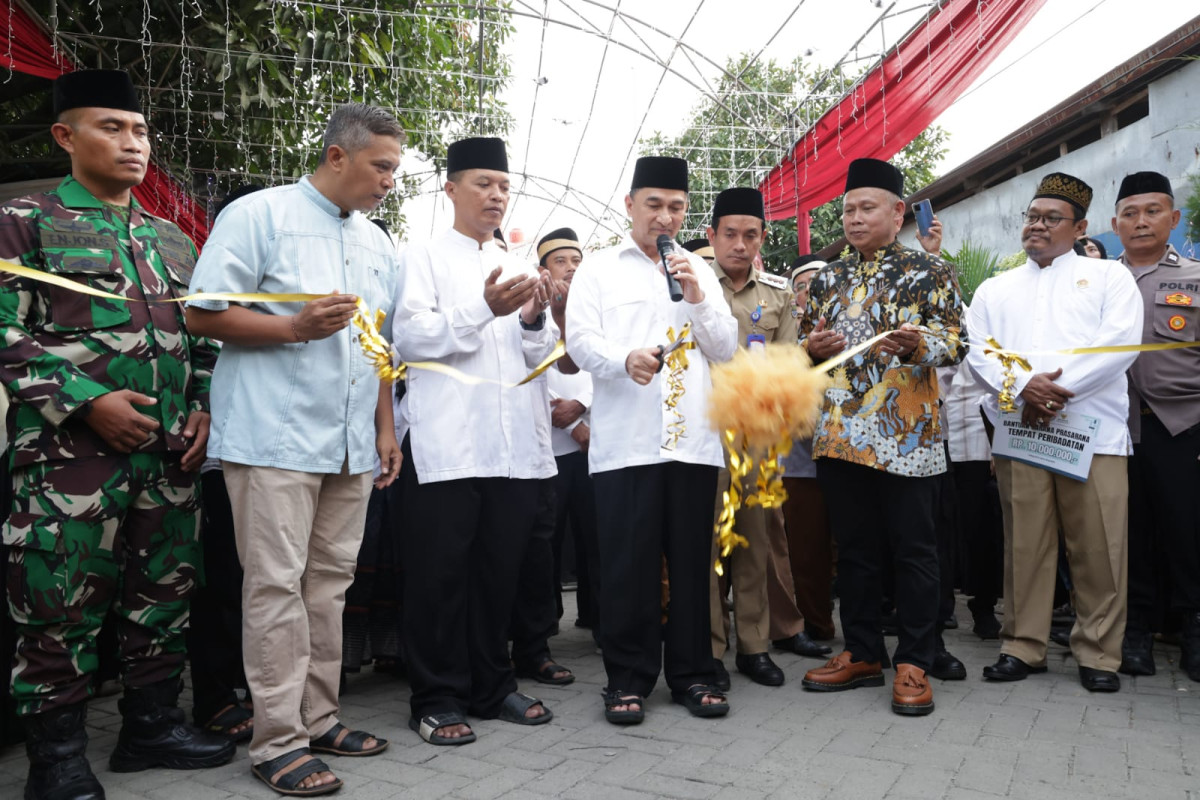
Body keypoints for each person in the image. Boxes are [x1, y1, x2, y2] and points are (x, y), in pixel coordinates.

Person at [0, 69, 233, 800]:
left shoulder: (170, 239)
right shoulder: (24, 222)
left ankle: (150, 727)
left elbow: (202, 340)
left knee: (160, 595)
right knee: (58, 604)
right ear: (65, 136)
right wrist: (87, 402)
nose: (132, 143)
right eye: (112, 127)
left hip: (167, 458)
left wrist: (201, 407)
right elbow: (5, 330)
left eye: (138, 130)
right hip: (70, 459)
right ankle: (57, 761)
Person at [187, 102, 402, 795]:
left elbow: (376, 347)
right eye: (382, 166)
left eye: (396, 169)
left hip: (349, 446)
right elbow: (200, 311)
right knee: (275, 586)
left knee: (330, 585)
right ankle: (276, 740)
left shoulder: (378, 244)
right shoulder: (259, 216)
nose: (390, 181)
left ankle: (319, 717)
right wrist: (294, 328)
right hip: (274, 436)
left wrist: (383, 428)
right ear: (338, 155)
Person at [393, 136, 557, 746]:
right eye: (484, 183)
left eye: (505, 186)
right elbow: (411, 341)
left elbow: (536, 356)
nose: (496, 195)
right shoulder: (421, 256)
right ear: (451, 189)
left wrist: (537, 319)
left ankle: (492, 685)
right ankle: (435, 697)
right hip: (448, 444)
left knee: (499, 574)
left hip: (513, 447)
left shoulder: (518, 262)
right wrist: (482, 307)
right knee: (440, 577)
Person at [566, 155, 738, 724]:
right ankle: (627, 679)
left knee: (692, 563)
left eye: (676, 207)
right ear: (630, 205)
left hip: (691, 442)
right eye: (654, 205)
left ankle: (692, 674)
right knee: (628, 566)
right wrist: (623, 360)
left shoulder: (698, 269)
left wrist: (696, 297)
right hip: (625, 443)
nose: (665, 217)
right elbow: (581, 341)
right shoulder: (597, 270)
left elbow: (724, 347)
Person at [798, 157, 965, 717]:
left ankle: (915, 659)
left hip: (908, 436)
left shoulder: (930, 273)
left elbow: (957, 344)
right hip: (841, 433)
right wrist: (810, 351)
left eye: (866, 208)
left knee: (915, 551)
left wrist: (919, 345)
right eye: (847, 209)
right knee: (858, 552)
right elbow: (808, 346)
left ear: (898, 214)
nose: (853, 218)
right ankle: (863, 651)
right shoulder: (828, 276)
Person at [967, 172, 1142, 693]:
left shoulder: (1110, 278)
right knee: (1026, 543)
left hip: (1093, 433)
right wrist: (1023, 386)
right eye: (1032, 217)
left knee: (1099, 546)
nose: (1037, 227)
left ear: (1080, 226)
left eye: (1051, 219)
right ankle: (1023, 645)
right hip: (1022, 431)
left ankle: (1099, 653)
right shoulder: (996, 288)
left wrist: (1052, 392)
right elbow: (978, 348)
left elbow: (1120, 346)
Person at [702, 188, 796, 689]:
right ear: (712, 236)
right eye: (731, 234)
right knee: (711, 545)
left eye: (751, 235)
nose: (740, 244)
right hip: (705, 433)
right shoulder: (691, 285)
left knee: (755, 541)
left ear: (762, 238)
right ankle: (711, 648)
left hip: (758, 435)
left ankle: (754, 647)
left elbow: (786, 366)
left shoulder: (778, 295)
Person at [1111, 171, 1200, 681]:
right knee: (1129, 532)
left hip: (1180, 426)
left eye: (1152, 211)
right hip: (1115, 429)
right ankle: (1137, 628)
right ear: (1114, 222)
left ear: (1174, 217)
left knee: (1187, 531)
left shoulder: (1193, 278)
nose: (1141, 221)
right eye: (1130, 213)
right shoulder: (1095, 280)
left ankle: (1192, 626)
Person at [538, 228, 602, 638]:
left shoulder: (596, 309)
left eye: (576, 260)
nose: (571, 268)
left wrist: (584, 409)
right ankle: (544, 626)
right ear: (542, 270)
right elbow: (529, 374)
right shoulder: (527, 312)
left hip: (595, 445)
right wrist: (573, 423)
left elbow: (605, 365)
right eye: (561, 261)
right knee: (547, 538)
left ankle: (598, 618)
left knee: (596, 535)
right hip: (550, 446)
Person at [774, 256, 838, 652]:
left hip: (848, 453)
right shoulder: (786, 331)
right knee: (805, 549)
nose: (812, 289)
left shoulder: (850, 325)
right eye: (804, 284)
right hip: (799, 460)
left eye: (821, 282)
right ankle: (813, 623)